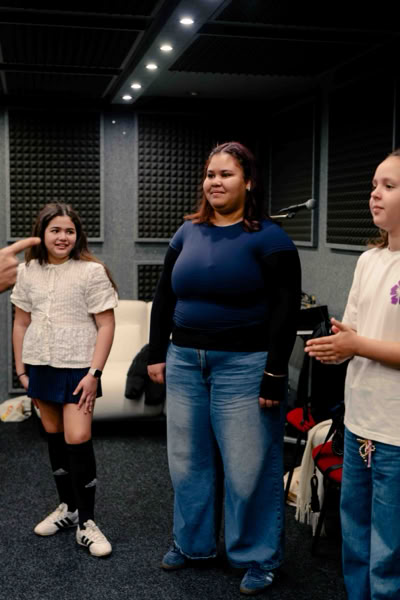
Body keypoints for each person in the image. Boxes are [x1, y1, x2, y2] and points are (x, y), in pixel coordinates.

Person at [147, 141, 301, 595]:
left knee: (247, 466)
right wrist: (156, 352)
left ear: (248, 181)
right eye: (210, 174)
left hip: (245, 365)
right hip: (184, 360)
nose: (215, 182)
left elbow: (286, 310)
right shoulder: (187, 232)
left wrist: (275, 372)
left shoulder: (270, 239)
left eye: (226, 174)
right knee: (187, 460)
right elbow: (164, 295)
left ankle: (257, 556)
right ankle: (192, 544)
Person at [305, 149, 400, 599]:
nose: (374, 194)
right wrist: (339, 346)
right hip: (359, 423)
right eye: (374, 185)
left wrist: (356, 345)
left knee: (389, 553)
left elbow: (365, 343)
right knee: (356, 541)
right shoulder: (369, 260)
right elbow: (358, 331)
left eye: (389, 186)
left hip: (396, 433)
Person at [11, 203, 117, 557]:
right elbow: (21, 322)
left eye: (69, 231)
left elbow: (106, 325)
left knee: (78, 438)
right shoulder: (27, 271)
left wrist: (94, 374)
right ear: (42, 233)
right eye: (55, 230)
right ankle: (68, 509)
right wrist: (22, 370)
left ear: (78, 235)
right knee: (54, 437)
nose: (62, 237)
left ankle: (87, 523)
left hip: (78, 369)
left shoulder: (91, 271)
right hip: (40, 364)